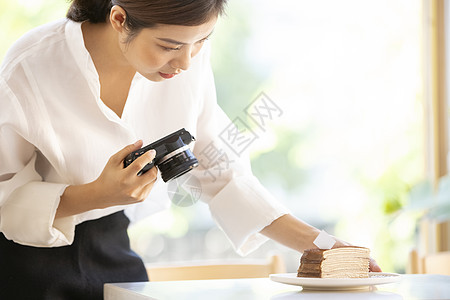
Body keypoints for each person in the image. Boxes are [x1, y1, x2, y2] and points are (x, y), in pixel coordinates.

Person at [0, 0, 382, 299]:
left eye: (202, 41)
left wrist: (326, 246)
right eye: (169, 46)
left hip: (113, 248)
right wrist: (95, 194)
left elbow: (221, 174)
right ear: (119, 19)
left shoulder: (187, 60)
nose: (184, 62)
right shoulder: (31, 66)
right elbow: (4, 197)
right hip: (24, 261)